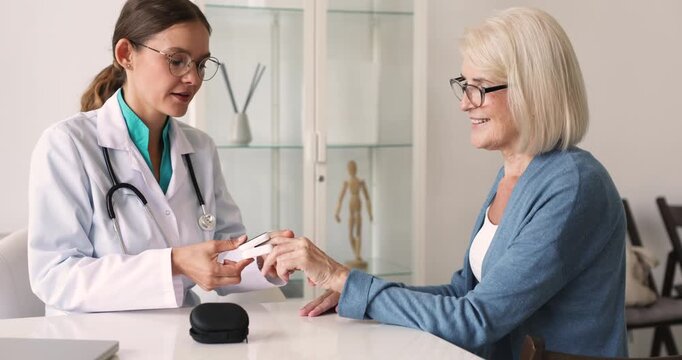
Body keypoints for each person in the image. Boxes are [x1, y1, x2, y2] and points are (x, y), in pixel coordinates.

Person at [262, 7, 627, 359]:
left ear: (534, 90)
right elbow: (462, 294)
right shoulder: (514, 174)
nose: (465, 104)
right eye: (464, 86)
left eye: (480, 87)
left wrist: (343, 278)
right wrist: (357, 295)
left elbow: (475, 320)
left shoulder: (574, 186)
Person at [28, 0, 288, 315]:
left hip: (180, 335)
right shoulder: (67, 145)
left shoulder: (200, 149)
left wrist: (266, 260)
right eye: (177, 60)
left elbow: (223, 252)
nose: (193, 78)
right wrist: (174, 263)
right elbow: (54, 277)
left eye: (201, 63)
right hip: (96, 340)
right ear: (125, 54)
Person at [334, 160, 373, 268]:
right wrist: (337, 212)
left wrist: (370, 213)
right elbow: (340, 199)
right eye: (350, 168)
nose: (351, 170)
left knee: (358, 233)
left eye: (353, 168)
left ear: (355, 169)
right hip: (352, 208)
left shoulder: (361, 182)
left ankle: (357, 255)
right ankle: (356, 254)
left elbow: (367, 199)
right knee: (351, 233)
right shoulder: (347, 183)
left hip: (358, 209)